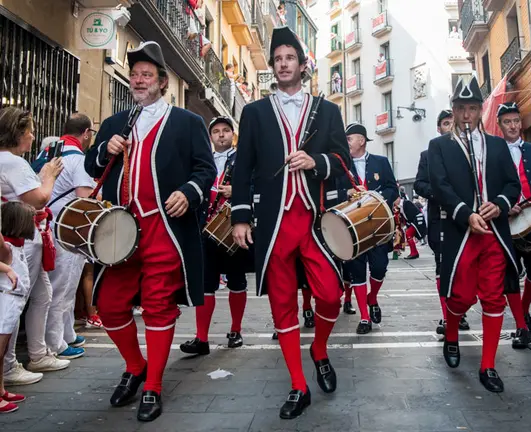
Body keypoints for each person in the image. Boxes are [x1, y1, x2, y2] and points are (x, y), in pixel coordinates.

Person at [84, 41, 217, 422]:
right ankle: (135, 365)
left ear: (162, 81)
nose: (139, 80)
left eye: (147, 74)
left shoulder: (187, 122)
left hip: (164, 227)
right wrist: (104, 151)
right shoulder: (113, 123)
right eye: (135, 74)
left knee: (159, 305)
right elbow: (95, 170)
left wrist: (188, 193)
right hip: (119, 233)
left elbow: (204, 171)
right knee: (109, 304)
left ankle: (153, 385)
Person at [230, 26, 350, 420]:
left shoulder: (327, 110)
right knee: (282, 304)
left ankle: (319, 349)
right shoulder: (254, 112)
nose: (283, 64)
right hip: (274, 221)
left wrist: (318, 162)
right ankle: (299, 385)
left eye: (289, 58)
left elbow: (344, 164)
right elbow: (243, 168)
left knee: (330, 295)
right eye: (277, 59)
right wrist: (241, 217)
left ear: (302, 65)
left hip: (316, 220)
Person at [428, 75, 521, 393]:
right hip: (461, 233)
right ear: (453, 111)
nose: (466, 114)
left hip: (494, 233)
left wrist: (500, 204)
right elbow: (440, 186)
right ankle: (451, 335)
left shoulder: (496, 145)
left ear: (480, 110)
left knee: (494, 298)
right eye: (460, 108)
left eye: (471, 108)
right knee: (460, 296)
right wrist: (465, 214)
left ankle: (489, 365)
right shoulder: (439, 145)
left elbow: (513, 184)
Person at [0, 107, 67, 386]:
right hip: (20, 240)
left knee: (41, 294)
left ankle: (38, 353)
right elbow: (38, 198)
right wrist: (49, 175)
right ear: (17, 133)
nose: (32, 136)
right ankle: (8, 366)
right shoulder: (12, 163)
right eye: (29, 130)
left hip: (24, 236)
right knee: (14, 302)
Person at [180, 116, 250, 356]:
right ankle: (201, 338)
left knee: (237, 282)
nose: (221, 135)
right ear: (210, 136)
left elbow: (260, 185)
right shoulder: (203, 159)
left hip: (231, 227)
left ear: (233, 135)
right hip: (204, 227)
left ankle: (236, 330)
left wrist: (238, 190)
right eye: (216, 131)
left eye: (226, 131)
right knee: (205, 285)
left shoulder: (243, 158)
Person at [44, 114, 97, 361]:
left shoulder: (48, 153)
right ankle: (56, 343)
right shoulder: (78, 159)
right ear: (86, 133)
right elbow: (86, 197)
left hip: (47, 227)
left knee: (60, 286)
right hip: (67, 229)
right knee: (62, 288)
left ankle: (67, 334)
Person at [334, 123, 397, 333]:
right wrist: (347, 194)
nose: (346, 143)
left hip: (378, 226)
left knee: (379, 268)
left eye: (349, 139)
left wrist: (374, 198)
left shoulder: (380, 162)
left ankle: (373, 297)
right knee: (356, 272)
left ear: (361, 140)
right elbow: (335, 192)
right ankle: (364, 317)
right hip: (353, 229)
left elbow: (392, 189)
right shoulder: (341, 167)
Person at [497, 102, 531, 348]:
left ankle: (525, 308)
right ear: (500, 126)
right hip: (505, 222)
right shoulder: (493, 153)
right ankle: (520, 325)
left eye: (516, 121)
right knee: (510, 274)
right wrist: (503, 206)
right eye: (507, 122)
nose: (513, 126)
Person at [415, 109, 470, 335]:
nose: (450, 126)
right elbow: (419, 184)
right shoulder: (428, 155)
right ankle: (448, 316)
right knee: (442, 267)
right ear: (439, 128)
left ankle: (459, 311)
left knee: (465, 267)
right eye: (446, 123)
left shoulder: (469, 152)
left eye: (452, 123)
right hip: (440, 218)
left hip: (465, 219)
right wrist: (439, 193)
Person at [0, 201, 37, 414]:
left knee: (4, 351)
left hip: (14, 303)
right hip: (6, 302)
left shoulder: (16, 245)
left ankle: (2, 389)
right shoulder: (6, 248)